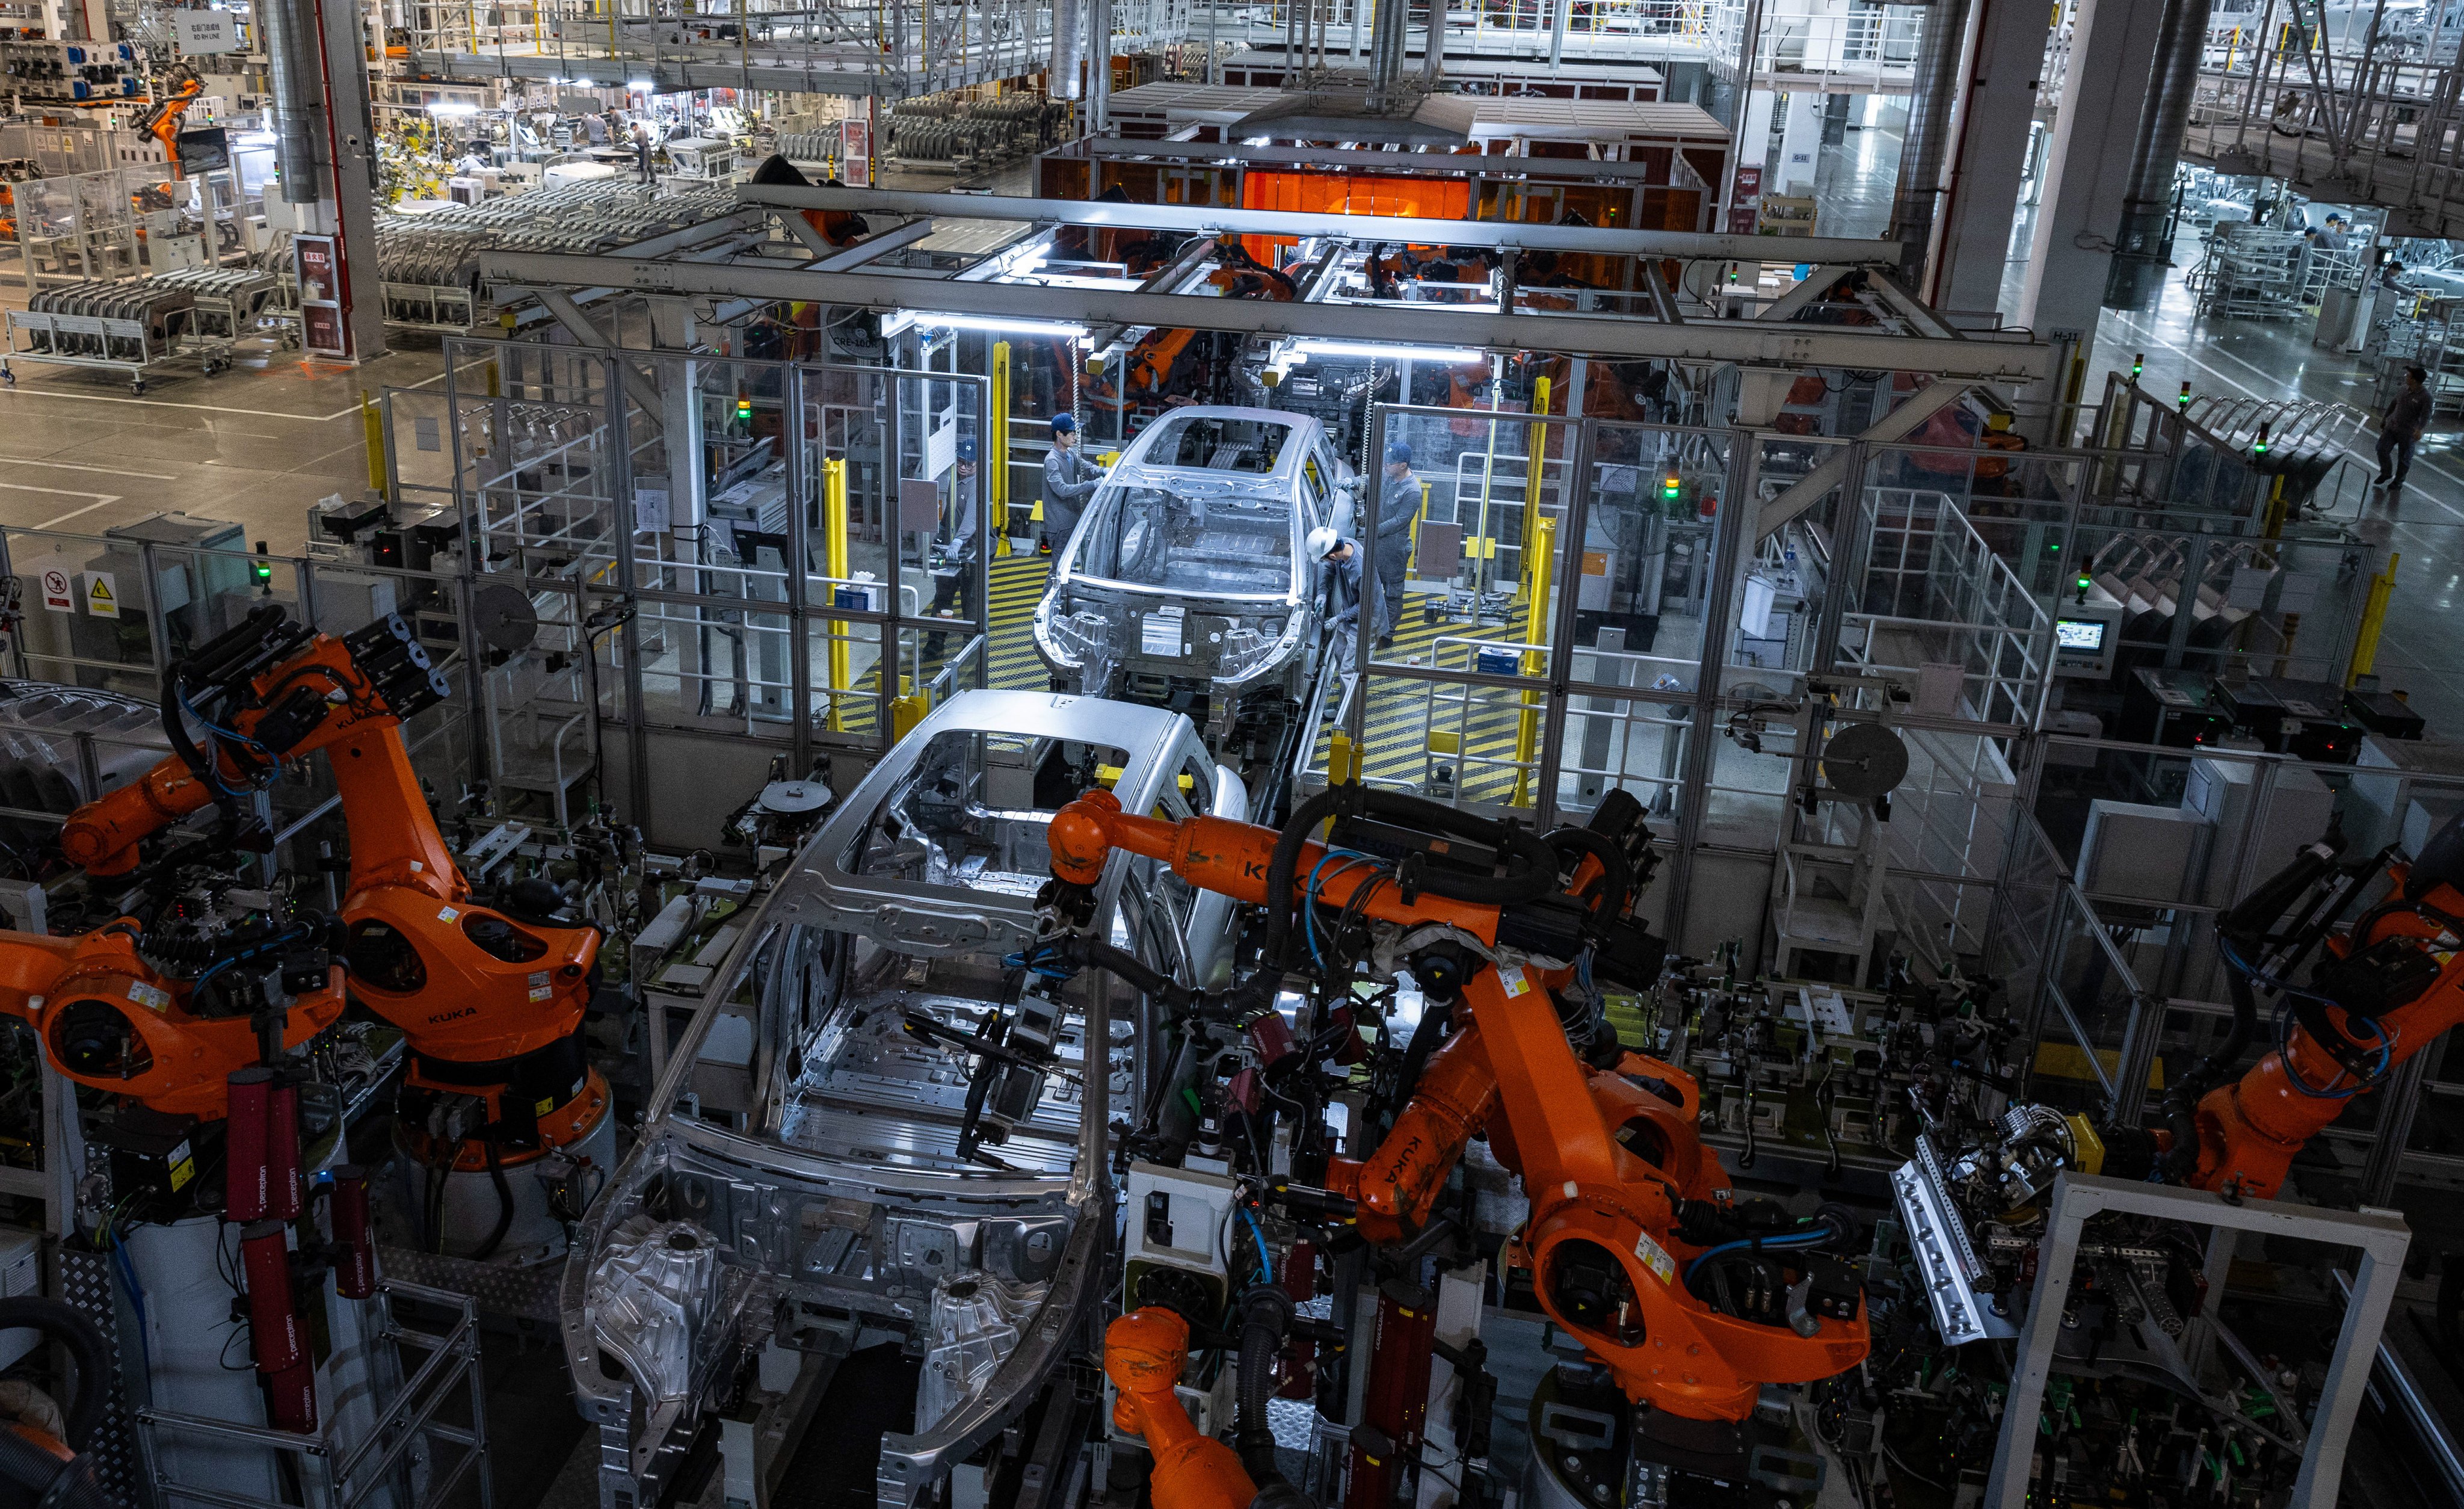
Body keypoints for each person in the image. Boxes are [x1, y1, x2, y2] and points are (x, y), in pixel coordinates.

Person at [1307, 526, 1382, 668]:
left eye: (1325, 560)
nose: (1327, 563)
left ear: (1333, 556)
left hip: (1366, 623)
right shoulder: (1345, 544)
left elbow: (1365, 606)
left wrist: (1338, 619)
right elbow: (1330, 570)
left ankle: (1351, 692)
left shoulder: (1361, 569)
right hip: (1349, 615)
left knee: (1350, 670)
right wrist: (1322, 593)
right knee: (1340, 654)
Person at [1371, 442, 1419, 648]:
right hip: (1377, 545)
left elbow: (1400, 521)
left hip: (1395, 550)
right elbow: (1369, 480)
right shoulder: (1388, 476)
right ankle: (1370, 627)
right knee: (1371, 588)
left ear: (1403, 465)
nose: (1385, 466)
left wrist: (1374, 530)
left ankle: (1387, 636)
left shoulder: (1413, 491)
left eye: (1390, 463)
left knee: (1392, 593)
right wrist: (1353, 483)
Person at [1040, 412, 1104, 553]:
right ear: (1059, 434)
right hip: (1060, 526)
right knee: (1059, 567)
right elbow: (1062, 490)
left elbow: (1087, 467)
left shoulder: (1070, 454)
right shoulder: (1052, 461)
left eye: (1076, 432)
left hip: (1071, 520)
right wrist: (1092, 485)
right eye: (1072, 433)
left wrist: (1105, 471)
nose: (1075, 437)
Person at [2379, 364, 2432, 493]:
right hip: (2393, 427)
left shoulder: (2426, 397)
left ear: (2414, 380)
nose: (2406, 377)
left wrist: (2419, 429)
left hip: (2408, 432)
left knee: (2404, 459)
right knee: (2381, 449)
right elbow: (2394, 403)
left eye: (2408, 376)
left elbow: (2426, 416)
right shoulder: (2404, 389)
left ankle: (2398, 482)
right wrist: (2385, 418)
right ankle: (2386, 472)